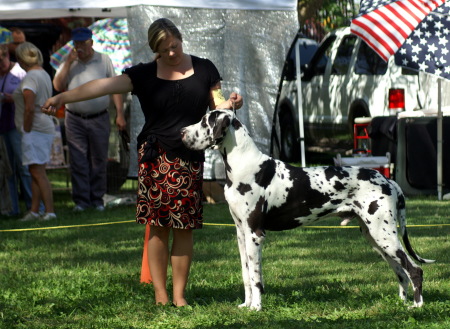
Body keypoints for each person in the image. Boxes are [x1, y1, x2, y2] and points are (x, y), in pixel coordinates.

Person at [42, 18, 243, 306]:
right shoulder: (144, 74)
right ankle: (161, 295)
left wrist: (234, 102)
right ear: (155, 50)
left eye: (174, 46)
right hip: (155, 157)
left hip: (189, 157)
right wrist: (62, 97)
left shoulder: (205, 68)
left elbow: (218, 104)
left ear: (180, 38)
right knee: (159, 227)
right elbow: (101, 86)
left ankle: (179, 296)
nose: (171, 53)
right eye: (164, 50)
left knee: (185, 227)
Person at [53, 27, 126, 212]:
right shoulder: (68, 61)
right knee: (78, 160)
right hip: (74, 118)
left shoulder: (103, 60)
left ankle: (97, 199)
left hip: (99, 117)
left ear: (91, 43)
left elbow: (115, 87)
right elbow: (58, 86)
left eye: (83, 43)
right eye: (76, 44)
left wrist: (119, 113)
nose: (79, 48)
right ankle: (81, 201)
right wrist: (68, 63)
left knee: (98, 160)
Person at [13, 42, 56, 221]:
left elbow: (30, 107)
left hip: (35, 128)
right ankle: (34, 210)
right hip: (44, 125)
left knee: (38, 171)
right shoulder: (43, 73)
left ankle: (50, 211)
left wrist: (26, 128)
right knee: (36, 169)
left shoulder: (30, 77)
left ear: (21, 59)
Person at [0, 43, 34, 216]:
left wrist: (11, 98)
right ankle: (11, 208)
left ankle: (33, 207)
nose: (1, 64)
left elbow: (28, 97)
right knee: (8, 170)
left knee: (24, 167)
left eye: (2, 59)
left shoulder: (20, 72)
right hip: (2, 127)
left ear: (8, 56)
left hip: (16, 126)